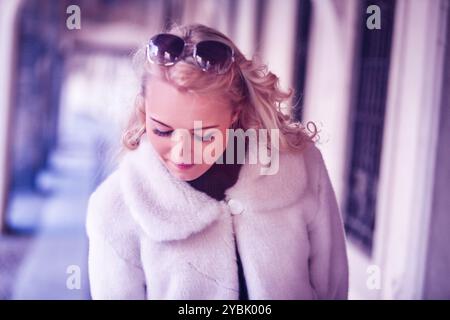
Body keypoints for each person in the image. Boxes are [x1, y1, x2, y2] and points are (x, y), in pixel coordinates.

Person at [86, 23, 349, 300]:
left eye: (203, 135)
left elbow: (333, 291)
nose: (181, 153)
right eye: (162, 130)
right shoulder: (114, 208)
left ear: (235, 113)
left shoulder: (302, 166)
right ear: (144, 109)